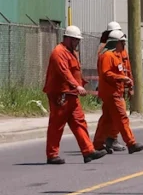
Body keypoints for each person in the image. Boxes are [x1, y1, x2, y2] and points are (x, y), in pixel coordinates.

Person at [44, 25, 108, 165]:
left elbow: (75, 71)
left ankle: (88, 151)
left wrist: (80, 83)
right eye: (75, 40)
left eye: (78, 40)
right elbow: (64, 72)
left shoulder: (72, 52)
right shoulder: (58, 52)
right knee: (57, 124)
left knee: (79, 122)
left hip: (71, 94)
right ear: (68, 38)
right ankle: (52, 155)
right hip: (61, 95)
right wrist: (76, 85)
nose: (77, 42)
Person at [93, 30, 143, 155]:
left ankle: (98, 144)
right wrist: (121, 78)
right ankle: (131, 143)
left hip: (115, 92)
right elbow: (106, 74)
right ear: (116, 43)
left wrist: (128, 84)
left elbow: (124, 70)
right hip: (111, 93)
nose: (123, 45)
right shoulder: (107, 56)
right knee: (122, 118)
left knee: (106, 120)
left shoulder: (116, 55)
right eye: (122, 43)